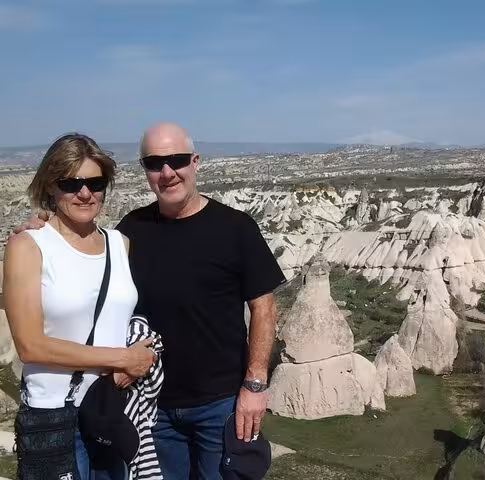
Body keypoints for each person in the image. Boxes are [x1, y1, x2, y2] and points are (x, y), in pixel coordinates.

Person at [16, 123, 287, 478]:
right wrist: (40, 228)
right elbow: (81, 253)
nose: (168, 172)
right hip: (150, 405)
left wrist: (254, 385)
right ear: (145, 169)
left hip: (219, 404)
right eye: (155, 163)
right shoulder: (132, 230)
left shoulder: (235, 227)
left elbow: (263, 307)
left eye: (177, 160)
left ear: (195, 162)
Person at [3, 133, 157, 480]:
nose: (85, 193)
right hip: (55, 415)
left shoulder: (121, 245)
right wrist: (121, 358)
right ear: (50, 187)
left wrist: (136, 361)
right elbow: (30, 345)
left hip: (110, 409)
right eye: (71, 183)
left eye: (95, 182)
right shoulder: (29, 246)